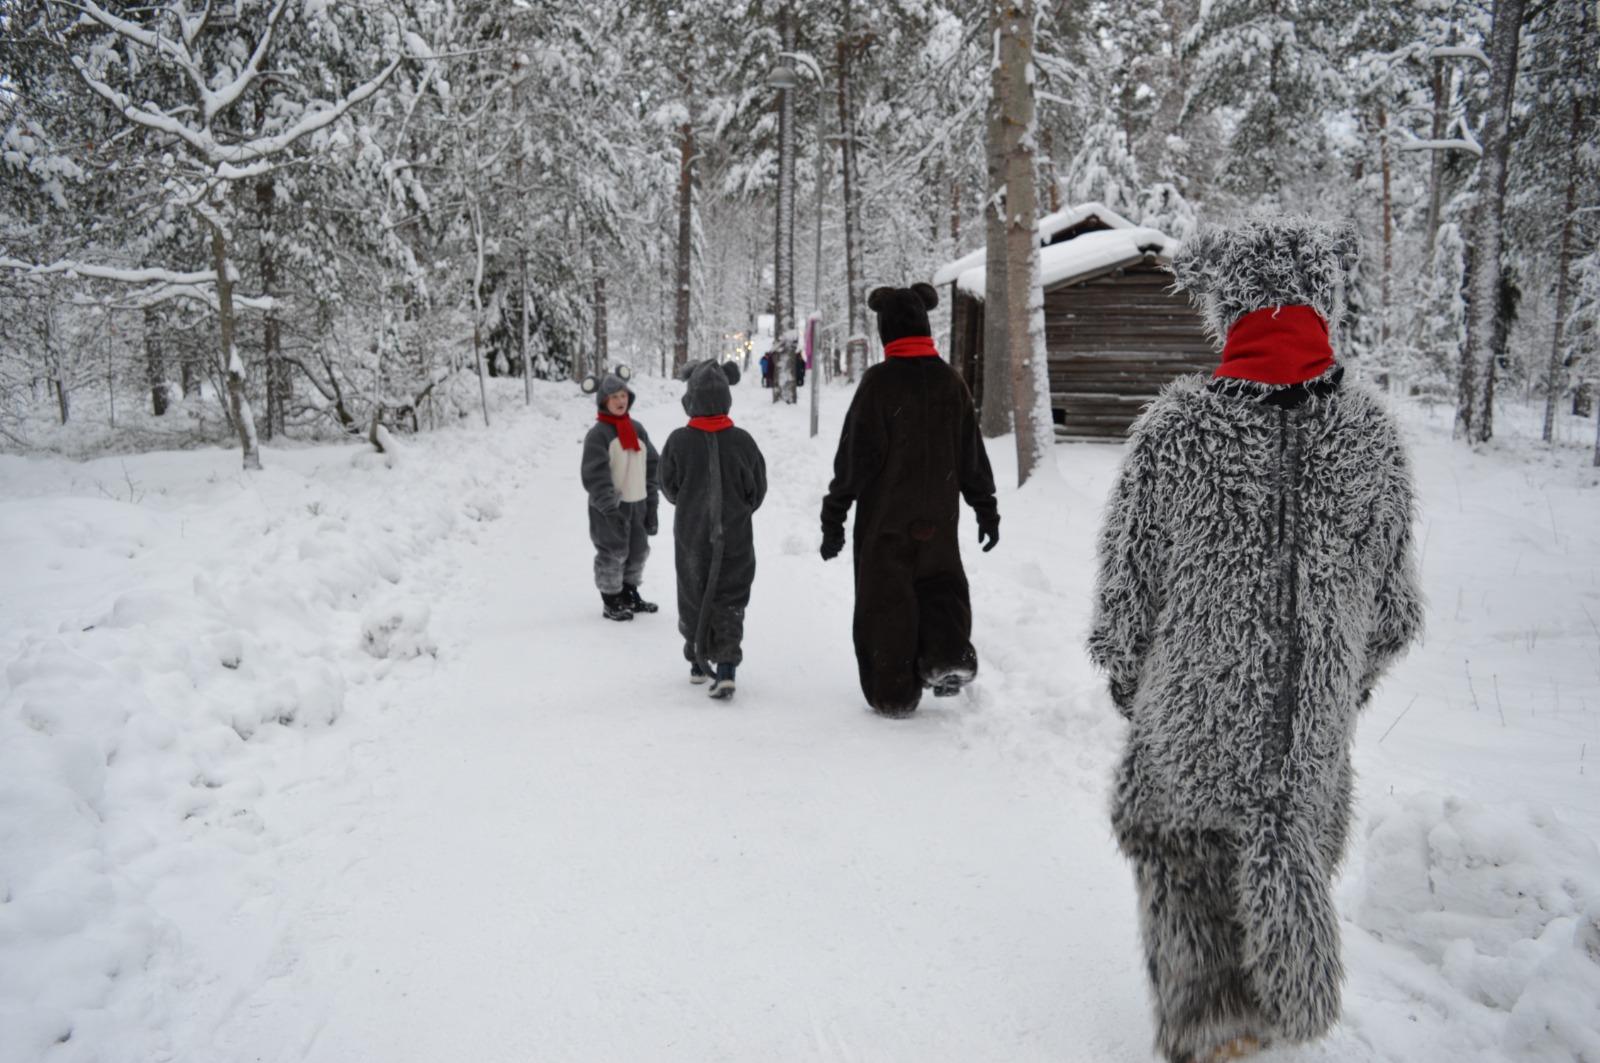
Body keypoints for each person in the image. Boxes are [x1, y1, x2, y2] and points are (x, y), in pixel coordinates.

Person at [1087, 214, 1423, 1063]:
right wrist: (1343, 689)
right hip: (1307, 743)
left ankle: (1212, 1025)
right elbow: (1392, 613)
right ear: (1324, 302)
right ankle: (1278, 1001)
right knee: (1283, 846)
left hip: (1188, 727)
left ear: (1224, 306)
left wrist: (1134, 683)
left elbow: (1126, 599)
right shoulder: (1374, 441)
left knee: (1187, 868)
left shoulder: (1174, 433)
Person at [818, 282, 998, 717]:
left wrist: (835, 516)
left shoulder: (879, 384)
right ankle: (947, 652)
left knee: (887, 600)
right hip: (938, 514)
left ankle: (893, 690)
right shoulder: (949, 381)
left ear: (886, 331)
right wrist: (984, 505)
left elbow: (854, 460)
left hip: (886, 519)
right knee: (939, 584)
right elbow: (970, 451)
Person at [659, 360, 767, 700]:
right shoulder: (743, 442)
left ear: (690, 401)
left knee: (693, 592)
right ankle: (726, 668)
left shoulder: (678, 441)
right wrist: (741, 510)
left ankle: (696, 660)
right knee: (731, 597)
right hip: (735, 535)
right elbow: (757, 488)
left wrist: (688, 503)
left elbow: (667, 484)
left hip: (692, 535)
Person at [580, 365, 660, 621]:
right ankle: (611, 599)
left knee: (638, 551)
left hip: (638, 503)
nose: (620, 401)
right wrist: (608, 507)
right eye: (614, 397)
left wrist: (653, 504)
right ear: (604, 401)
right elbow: (595, 474)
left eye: (623, 395)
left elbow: (652, 465)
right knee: (613, 552)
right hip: (610, 507)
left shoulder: (637, 429)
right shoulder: (598, 435)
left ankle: (629, 593)